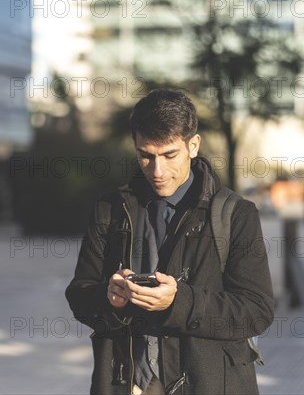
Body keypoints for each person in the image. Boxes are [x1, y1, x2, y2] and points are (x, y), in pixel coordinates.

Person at [66, 89, 274, 395]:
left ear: (193, 145)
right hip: (128, 383)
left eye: (169, 155)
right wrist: (110, 299)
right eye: (145, 156)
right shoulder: (109, 210)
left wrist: (179, 302)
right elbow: (80, 296)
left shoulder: (236, 215)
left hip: (209, 385)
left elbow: (257, 312)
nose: (157, 170)